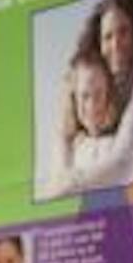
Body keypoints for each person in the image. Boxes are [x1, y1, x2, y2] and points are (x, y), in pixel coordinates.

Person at [50, 0, 133, 194]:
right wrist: (62, 175)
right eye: (107, 37)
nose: (116, 44)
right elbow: (64, 132)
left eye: (123, 32)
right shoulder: (102, 71)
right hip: (109, 191)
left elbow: (121, 161)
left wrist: (64, 188)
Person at [40, 51, 122, 200]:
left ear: (109, 94)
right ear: (74, 99)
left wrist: (63, 141)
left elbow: (62, 191)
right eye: (84, 96)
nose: (91, 106)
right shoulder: (70, 145)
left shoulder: (118, 145)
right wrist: (64, 139)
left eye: (99, 94)